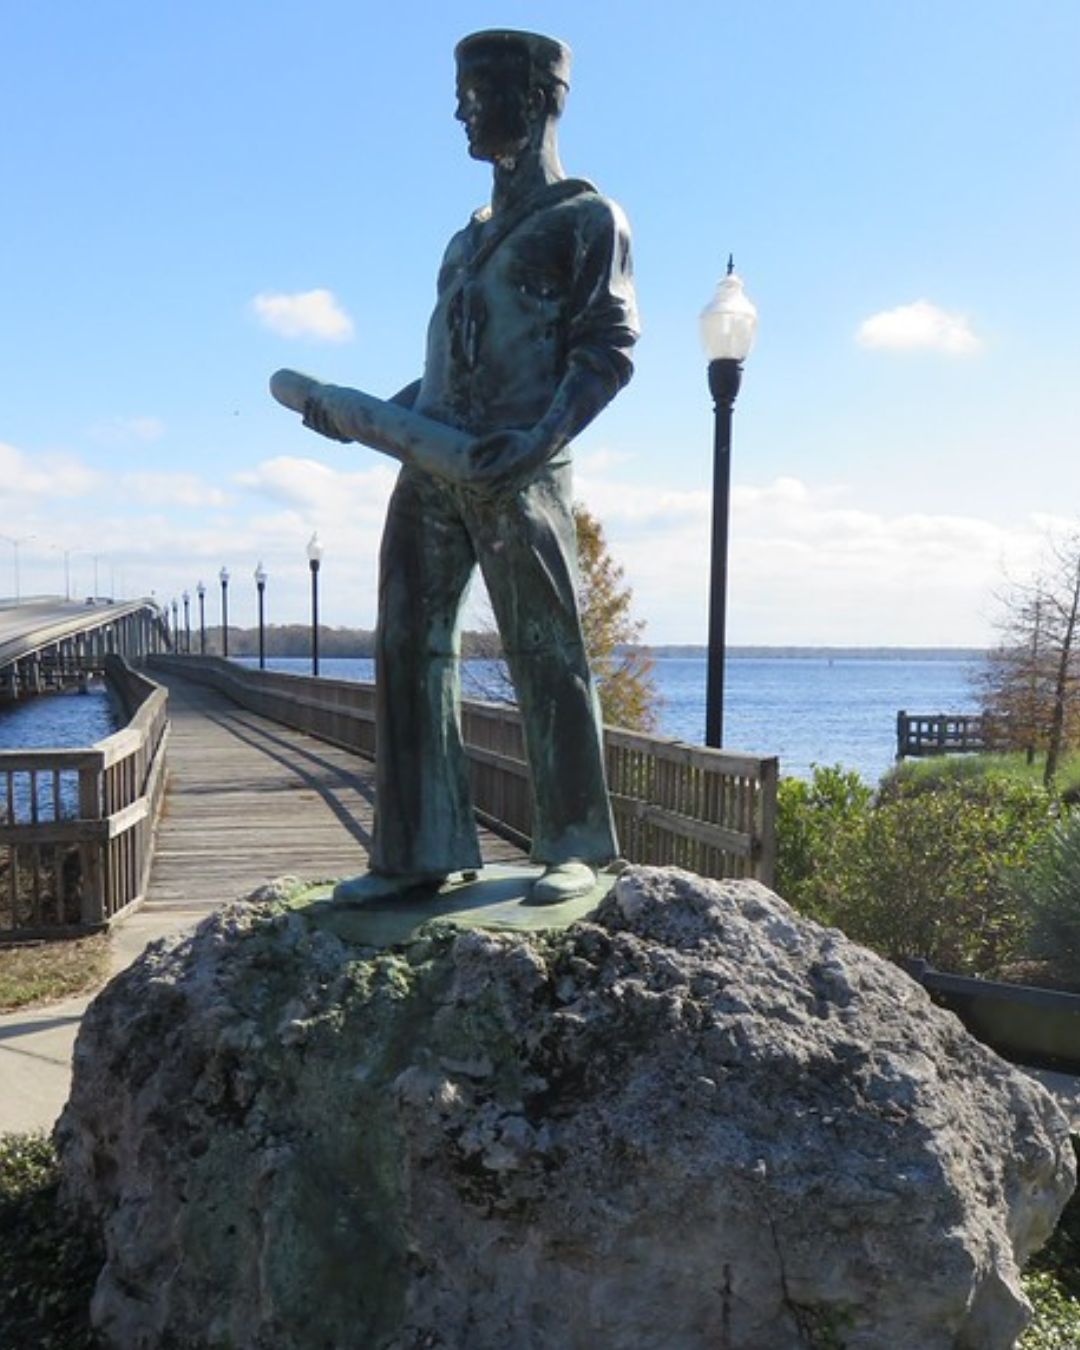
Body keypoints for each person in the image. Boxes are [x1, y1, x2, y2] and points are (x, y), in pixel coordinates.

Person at [304, 29, 639, 905]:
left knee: (546, 646)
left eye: (476, 91)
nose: (459, 109)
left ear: (535, 97)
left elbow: (605, 352)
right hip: (433, 466)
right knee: (407, 642)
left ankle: (575, 841)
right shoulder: (464, 243)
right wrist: (367, 413)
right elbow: (448, 373)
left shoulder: (586, 218)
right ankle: (420, 847)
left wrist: (529, 448)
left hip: (519, 466)